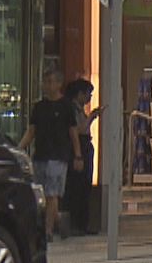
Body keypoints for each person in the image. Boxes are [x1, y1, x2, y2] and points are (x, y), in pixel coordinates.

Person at [17, 69, 76, 241]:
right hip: (40, 155)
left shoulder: (66, 106)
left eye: (52, 82)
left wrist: (77, 155)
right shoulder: (39, 107)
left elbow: (73, 132)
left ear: (59, 84)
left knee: (52, 193)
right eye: (46, 82)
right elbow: (32, 131)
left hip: (58, 156)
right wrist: (20, 148)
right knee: (42, 194)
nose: (48, 86)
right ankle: (58, 219)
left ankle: (48, 231)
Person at [64, 78, 100, 235]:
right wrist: (91, 117)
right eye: (88, 94)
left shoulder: (78, 110)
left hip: (84, 147)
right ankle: (76, 224)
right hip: (78, 148)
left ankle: (83, 224)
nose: (89, 98)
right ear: (79, 94)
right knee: (77, 186)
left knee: (84, 186)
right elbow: (78, 130)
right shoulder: (72, 110)